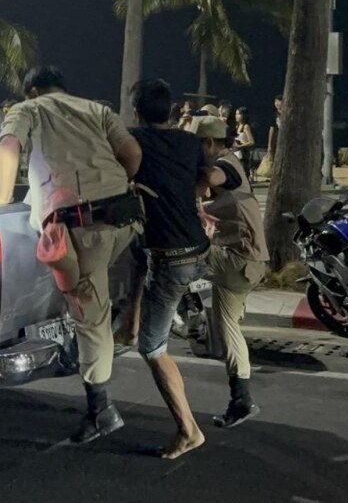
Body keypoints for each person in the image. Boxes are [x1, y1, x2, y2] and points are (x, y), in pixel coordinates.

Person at [0, 66, 143, 443]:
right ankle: (109, 322)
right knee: (93, 296)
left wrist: (2, 194)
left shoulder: (30, 109)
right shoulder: (96, 109)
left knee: (89, 314)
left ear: (31, 91)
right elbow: (132, 153)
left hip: (82, 224)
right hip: (124, 217)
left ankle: (101, 410)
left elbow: (8, 144)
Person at [125, 79, 213, 459]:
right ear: (173, 109)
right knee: (141, 267)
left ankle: (188, 430)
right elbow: (205, 185)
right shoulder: (190, 142)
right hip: (199, 247)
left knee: (152, 347)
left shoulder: (133, 141)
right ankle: (130, 326)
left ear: (137, 111)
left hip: (172, 257)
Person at [193, 115, 269, 429]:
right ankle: (242, 401)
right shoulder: (228, 165)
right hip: (245, 262)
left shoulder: (227, 165)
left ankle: (165, 309)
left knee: (176, 255)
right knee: (228, 331)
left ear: (209, 143)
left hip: (239, 260)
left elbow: (212, 176)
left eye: (197, 146)